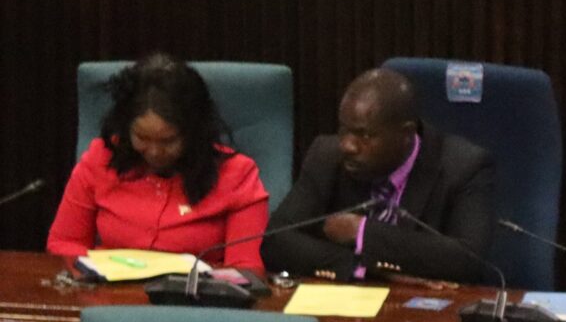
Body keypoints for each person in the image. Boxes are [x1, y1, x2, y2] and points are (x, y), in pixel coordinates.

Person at [265, 67, 496, 283]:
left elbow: (469, 260)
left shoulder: (463, 167)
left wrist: (362, 232)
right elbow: (276, 240)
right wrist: (359, 266)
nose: (347, 145)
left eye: (364, 135)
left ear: (406, 133)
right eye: (344, 129)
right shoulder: (327, 155)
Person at [48, 54, 271, 273]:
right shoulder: (101, 158)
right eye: (142, 138)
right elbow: (64, 243)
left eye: (168, 140)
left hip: (193, 303)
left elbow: (245, 271)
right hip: (109, 300)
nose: (154, 152)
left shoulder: (236, 174)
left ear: (194, 132)